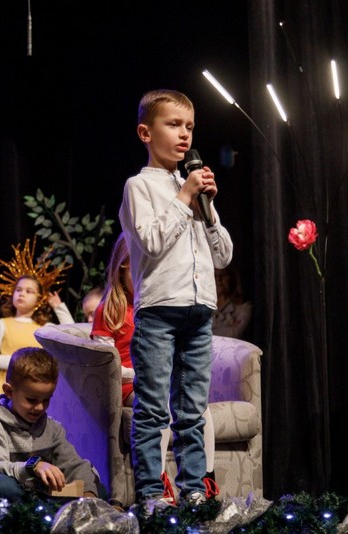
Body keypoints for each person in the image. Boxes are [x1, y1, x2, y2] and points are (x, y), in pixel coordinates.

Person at [118, 89, 233, 507]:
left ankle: (194, 489)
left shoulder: (193, 190)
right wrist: (184, 198)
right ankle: (152, 493)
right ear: (145, 133)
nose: (184, 135)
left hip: (199, 311)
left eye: (190, 127)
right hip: (159, 311)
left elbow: (223, 256)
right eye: (173, 125)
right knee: (153, 408)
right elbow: (151, 242)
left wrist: (207, 208)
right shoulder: (139, 187)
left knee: (193, 409)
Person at [90, 232, 219, 504]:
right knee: (157, 406)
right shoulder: (111, 309)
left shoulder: (163, 309)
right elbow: (104, 365)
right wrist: (139, 374)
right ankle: (157, 480)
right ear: (124, 267)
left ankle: (205, 477)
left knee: (198, 409)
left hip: (161, 379)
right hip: (129, 385)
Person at [0, 346, 105, 503]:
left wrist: (88, 494)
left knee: (96, 486)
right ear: (9, 391)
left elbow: (74, 465)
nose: (39, 407)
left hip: (39, 499)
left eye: (46, 400)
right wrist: (34, 467)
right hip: (0, 501)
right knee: (1, 485)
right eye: (31, 400)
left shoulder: (52, 428)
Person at [0, 239, 74, 394]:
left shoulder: (45, 329)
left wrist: (59, 307)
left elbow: (71, 336)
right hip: (10, 391)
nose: (22, 294)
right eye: (18, 290)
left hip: (37, 391)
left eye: (29, 291)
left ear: (39, 299)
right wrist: (20, 362)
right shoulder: (2, 324)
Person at [212, 264, 252, 339]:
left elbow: (233, 335)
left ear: (232, 278)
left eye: (223, 275)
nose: (218, 279)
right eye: (215, 275)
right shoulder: (203, 305)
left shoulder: (243, 308)